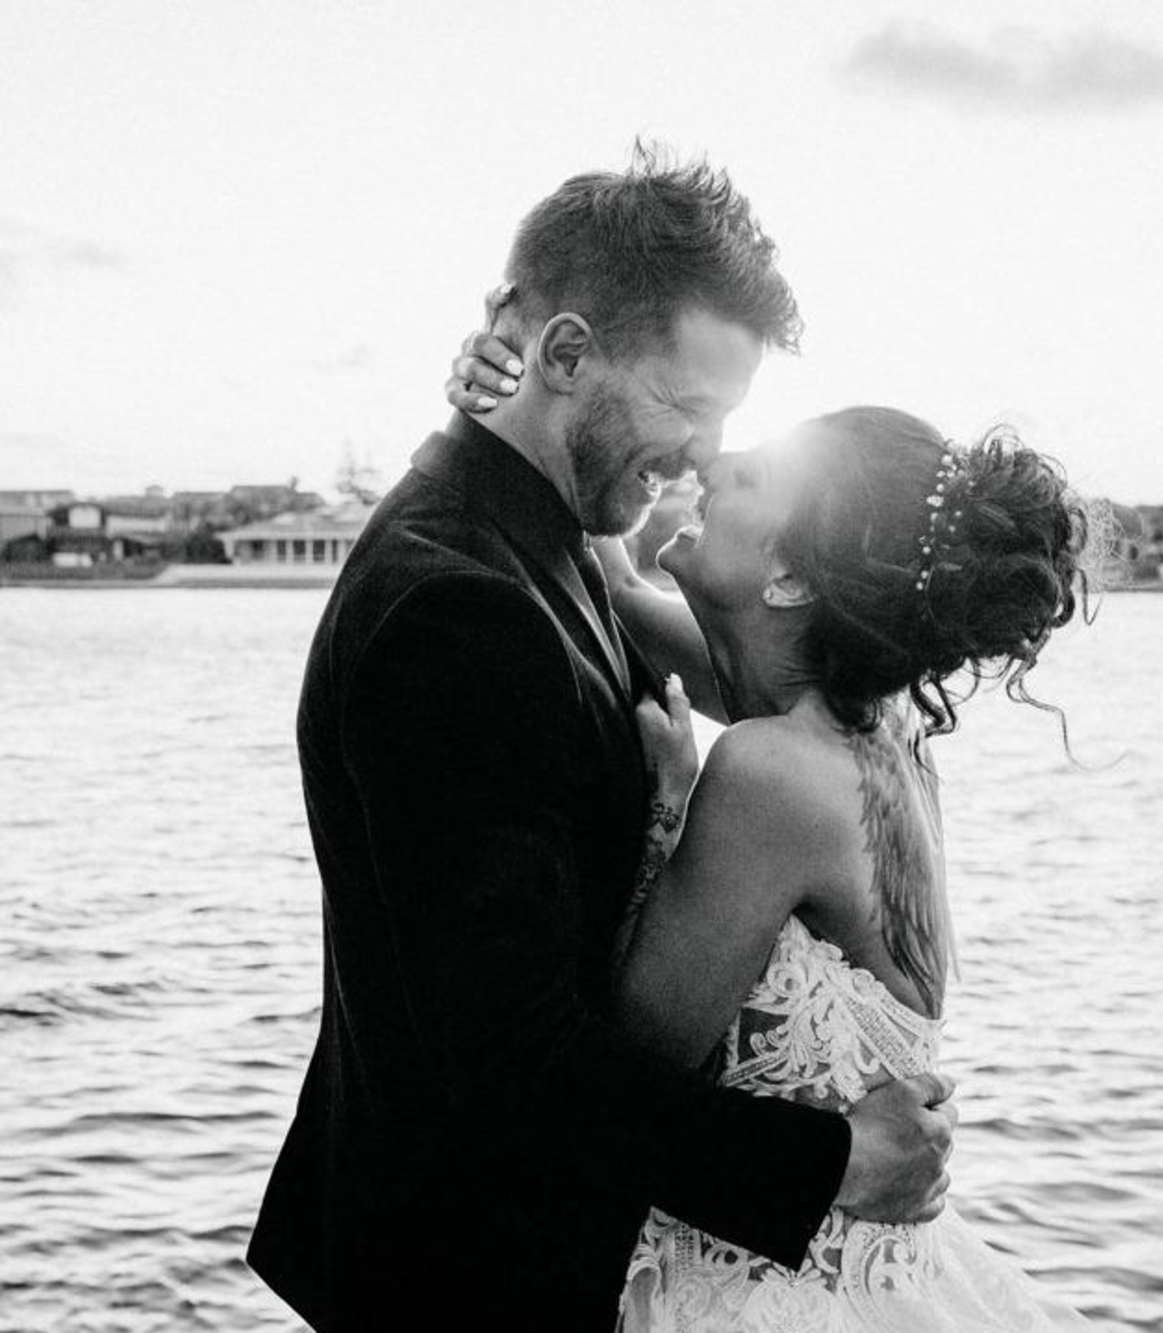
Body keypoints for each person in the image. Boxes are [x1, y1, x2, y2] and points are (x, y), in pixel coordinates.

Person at [247, 151, 958, 1333]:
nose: (697, 455)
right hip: (468, 1280)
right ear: (568, 357)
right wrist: (826, 1164)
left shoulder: (560, 537)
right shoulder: (455, 607)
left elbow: (763, 668)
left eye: (725, 422)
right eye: (686, 407)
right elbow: (511, 1055)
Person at [450, 334, 1102, 1328]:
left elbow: (632, 1063)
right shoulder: (863, 726)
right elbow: (618, 595)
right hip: (873, 1270)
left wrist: (666, 800)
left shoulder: (770, 773)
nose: (711, 465)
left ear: (791, 576)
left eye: (747, 477)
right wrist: (509, 402)